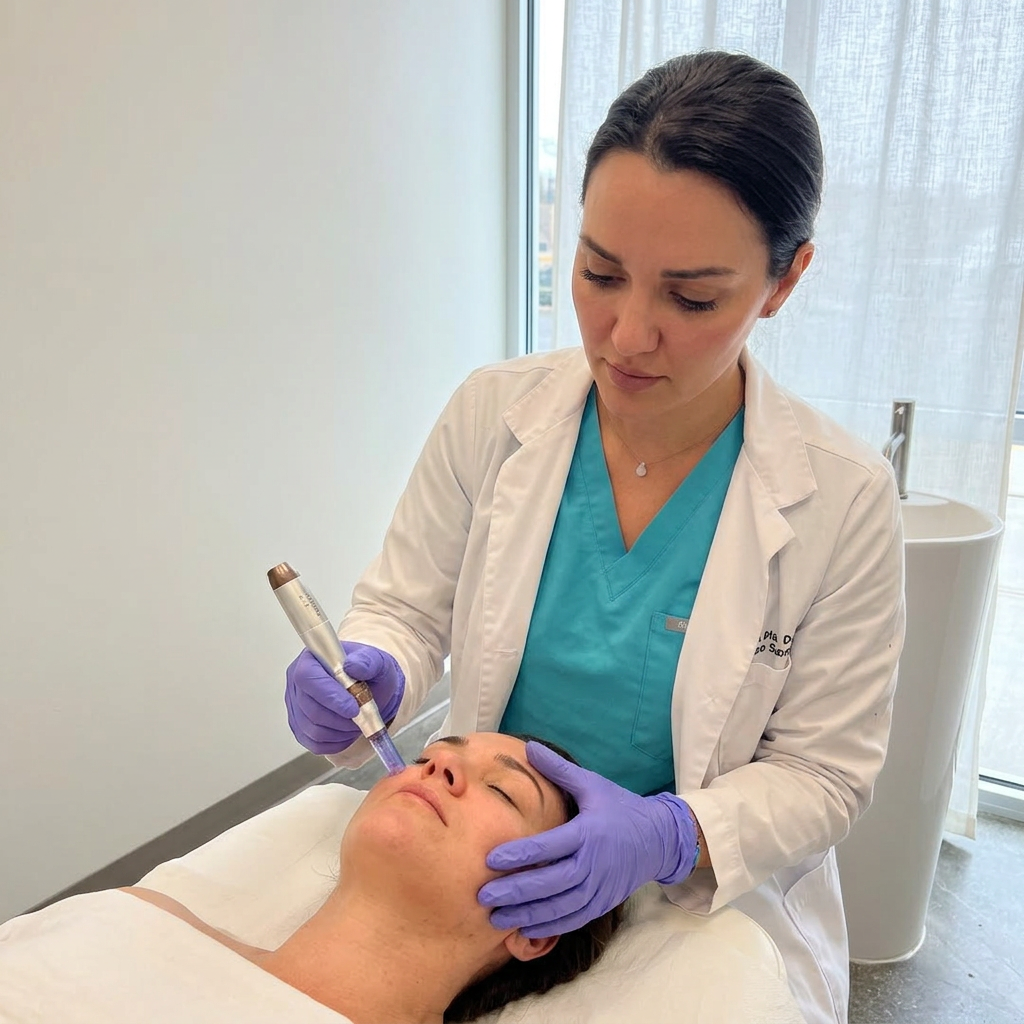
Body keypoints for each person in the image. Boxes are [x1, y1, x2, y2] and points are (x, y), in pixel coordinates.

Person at [285, 50, 906, 1024]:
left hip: (692, 897)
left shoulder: (844, 499)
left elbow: (824, 775)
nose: (625, 335)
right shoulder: (494, 412)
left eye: (691, 298)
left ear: (784, 280)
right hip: (484, 874)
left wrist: (668, 833)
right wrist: (375, 664)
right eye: (599, 273)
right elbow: (404, 607)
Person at [0, 733, 623, 1024]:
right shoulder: (133, 918)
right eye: (429, 755)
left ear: (539, 927)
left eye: (503, 790)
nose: (438, 768)